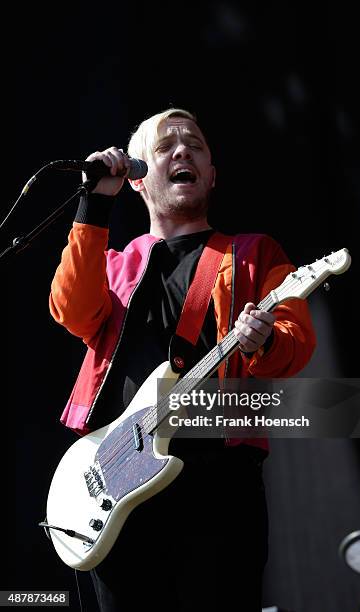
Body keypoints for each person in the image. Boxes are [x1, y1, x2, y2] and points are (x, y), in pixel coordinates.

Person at [49, 108, 316, 612]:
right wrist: (93, 207)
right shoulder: (116, 261)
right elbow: (71, 311)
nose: (181, 152)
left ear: (212, 174)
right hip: (113, 478)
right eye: (165, 146)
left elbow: (294, 342)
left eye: (194, 144)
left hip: (217, 484)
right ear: (136, 177)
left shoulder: (255, 253)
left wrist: (262, 342)